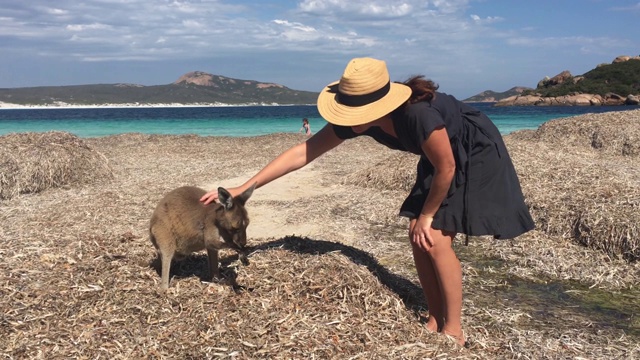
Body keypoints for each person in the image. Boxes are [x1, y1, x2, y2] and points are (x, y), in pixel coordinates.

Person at [201, 57, 535, 347]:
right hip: (440, 157)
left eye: (350, 110)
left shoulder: (417, 116)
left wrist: (429, 215)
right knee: (415, 235)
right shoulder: (357, 121)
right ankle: (434, 317)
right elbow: (304, 152)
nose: (343, 116)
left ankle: (454, 330)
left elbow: (447, 166)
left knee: (433, 236)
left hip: (472, 151)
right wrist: (243, 186)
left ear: (377, 106)